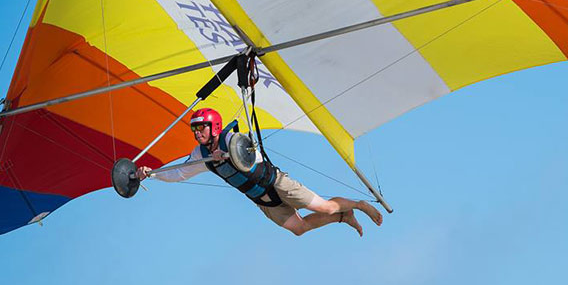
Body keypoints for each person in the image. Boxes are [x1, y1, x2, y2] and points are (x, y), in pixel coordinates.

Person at [135, 108, 383, 236]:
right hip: (261, 199)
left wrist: (231, 153)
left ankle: (359, 205)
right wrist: (153, 174)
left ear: (215, 127)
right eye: (195, 129)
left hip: (277, 184)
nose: (197, 133)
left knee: (325, 207)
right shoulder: (201, 154)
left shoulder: (232, 139)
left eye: (202, 127)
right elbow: (180, 173)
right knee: (299, 229)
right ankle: (344, 217)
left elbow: (252, 156)